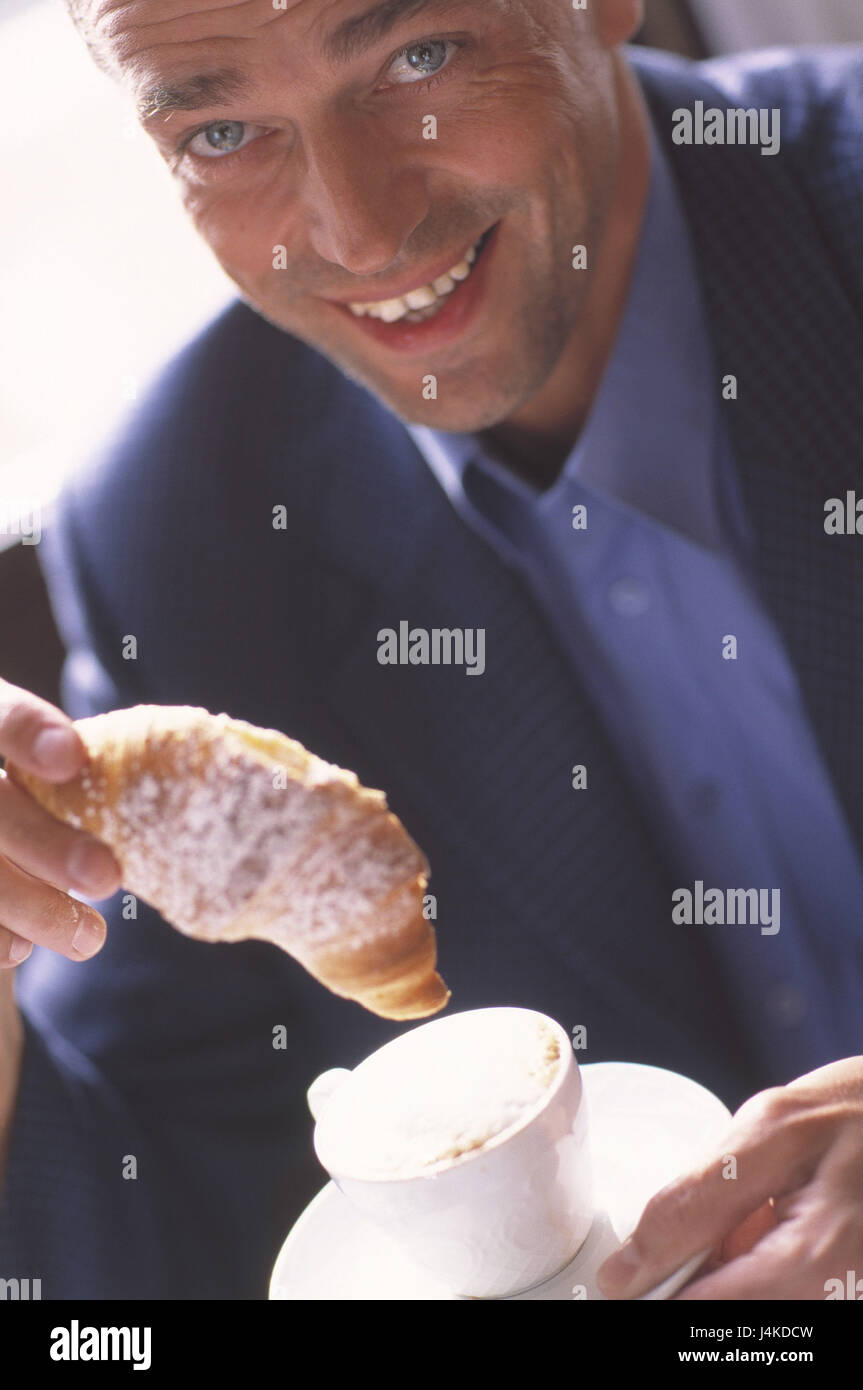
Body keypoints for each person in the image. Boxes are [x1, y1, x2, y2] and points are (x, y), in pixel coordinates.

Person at [1, 0, 861, 1300]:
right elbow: (148, 1231)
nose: (356, 228)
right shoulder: (182, 529)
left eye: (418, 56)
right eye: (223, 128)